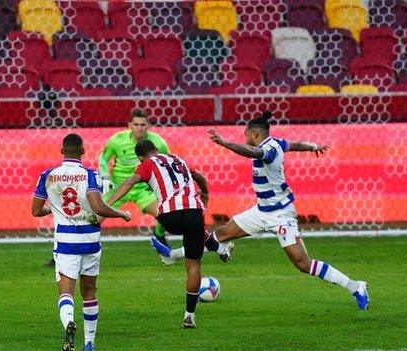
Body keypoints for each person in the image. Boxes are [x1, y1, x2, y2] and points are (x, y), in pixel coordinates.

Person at [151, 111, 370, 310]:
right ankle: (173, 256)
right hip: (262, 211)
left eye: (246, 134)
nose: (245, 137)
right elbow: (293, 144)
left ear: (255, 134)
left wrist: (226, 143)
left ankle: (355, 286)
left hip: (281, 214)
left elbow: (252, 152)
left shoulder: (267, 150)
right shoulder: (277, 143)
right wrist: (312, 146)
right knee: (221, 234)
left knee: (303, 263)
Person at [107, 139, 229, 328]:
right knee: (194, 264)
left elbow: (128, 183)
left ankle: (193, 252)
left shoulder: (146, 165)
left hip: (169, 217)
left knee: (191, 233)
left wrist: (108, 203)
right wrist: (205, 192)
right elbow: (200, 177)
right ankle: (189, 316)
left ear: (140, 157)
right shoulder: (179, 159)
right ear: (156, 150)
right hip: (194, 212)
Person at [32, 133, 131, 351]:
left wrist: (54, 208)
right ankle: (89, 343)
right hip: (91, 240)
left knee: (66, 293)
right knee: (89, 293)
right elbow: (98, 207)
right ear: (83, 152)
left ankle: (69, 323)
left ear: (61, 151)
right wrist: (121, 213)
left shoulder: (48, 175)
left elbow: (36, 211)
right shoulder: (91, 175)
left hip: (66, 242)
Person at [45, 109, 169, 267]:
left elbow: (165, 163)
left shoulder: (159, 143)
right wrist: (106, 177)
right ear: (130, 125)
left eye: (142, 125)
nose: (139, 128)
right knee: (90, 218)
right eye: (136, 124)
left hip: (143, 189)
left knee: (167, 215)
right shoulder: (117, 140)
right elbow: (103, 159)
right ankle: (63, 253)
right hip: (118, 188)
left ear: (148, 125)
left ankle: (159, 235)